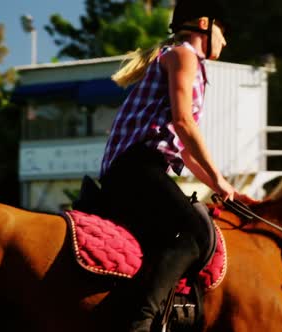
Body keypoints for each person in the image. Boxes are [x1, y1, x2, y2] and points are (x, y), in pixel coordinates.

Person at [98, 1, 246, 331]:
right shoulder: (184, 56)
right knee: (197, 229)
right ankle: (140, 323)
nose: (226, 40)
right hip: (136, 169)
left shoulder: (181, 58)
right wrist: (219, 179)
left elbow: (187, 154)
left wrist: (219, 185)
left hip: (139, 170)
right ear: (205, 25)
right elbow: (183, 123)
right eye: (224, 31)